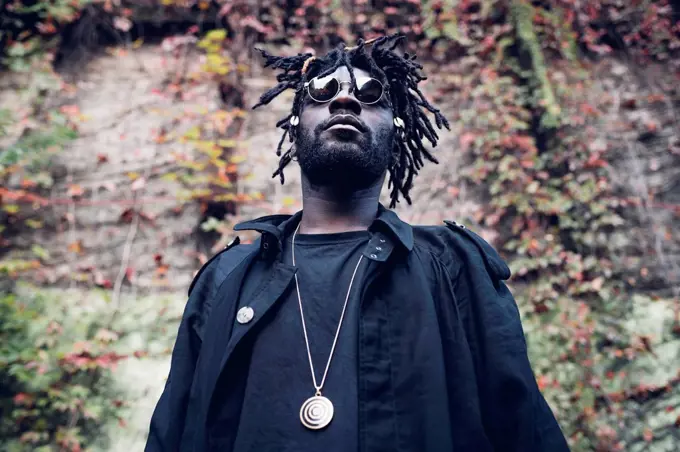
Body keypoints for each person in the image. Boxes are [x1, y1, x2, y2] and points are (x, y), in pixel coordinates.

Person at [145, 34, 570, 452]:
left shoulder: (455, 266)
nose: (345, 100)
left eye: (372, 94)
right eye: (322, 90)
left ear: (396, 130)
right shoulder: (226, 279)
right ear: (294, 126)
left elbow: (524, 430)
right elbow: (173, 433)